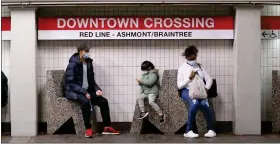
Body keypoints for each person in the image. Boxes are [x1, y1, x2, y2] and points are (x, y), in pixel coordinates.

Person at [64, 43, 120, 138]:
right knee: (85, 102)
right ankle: (88, 129)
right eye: (86, 51)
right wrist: (84, 92)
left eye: (88, 51)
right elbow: (70, 83)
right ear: (81, 52)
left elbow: (92, 81)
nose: (88, 53)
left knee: (103, 101)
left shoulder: (88, 62)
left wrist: (97, 90)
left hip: (87, 90)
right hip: (75, 92)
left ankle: (107, 127)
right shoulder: (73, 64)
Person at [177, 45, 216, 138]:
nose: (193, 60)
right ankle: (188, 131)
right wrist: (189, 79)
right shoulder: (182, 68)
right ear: (186, 57)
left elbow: (209, 79)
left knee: (204, 104)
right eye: (190, 58)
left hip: (200, 91)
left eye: (194, 57)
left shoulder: (200, 66)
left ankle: (211, 130)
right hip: (186, 90)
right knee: (194, 104)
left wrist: (206, 88)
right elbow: (179, 85)